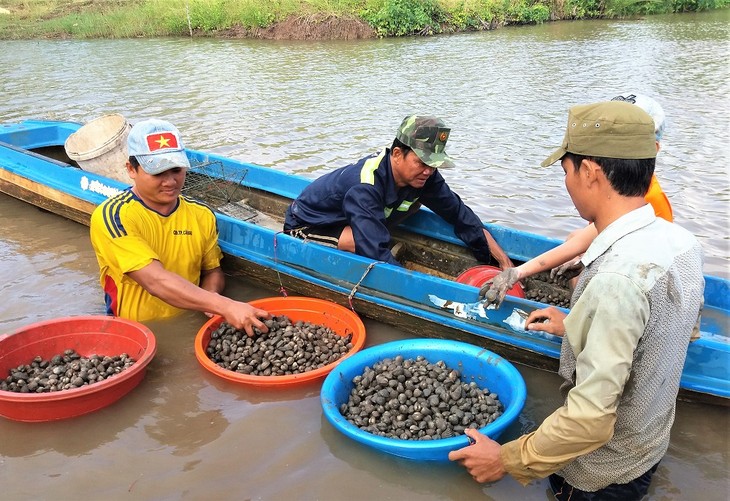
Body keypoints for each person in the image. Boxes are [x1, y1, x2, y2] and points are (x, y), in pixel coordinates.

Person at [449, 101, 704, 500]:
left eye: (566, 171)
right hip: (649, 446)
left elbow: (589, 422)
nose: (566, 183)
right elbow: (670, 333)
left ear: (589, 172)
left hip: (600, 475)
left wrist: (506, 459)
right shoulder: (682, 244)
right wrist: (578, 323)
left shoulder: (614, 280)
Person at [479, 93, 674, 307]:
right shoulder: (623, 189)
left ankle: (577, 321)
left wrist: (517, 272)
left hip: (641, 285)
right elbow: (585, 238)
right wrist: (516, 272)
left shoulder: (644, 198)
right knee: (575, 238)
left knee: (581, 254)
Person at [89, 119, 270, 335]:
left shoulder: (201, 214)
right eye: (158, 172)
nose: (170, 181)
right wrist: (226, 306)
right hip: (133, 330)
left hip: (190, 317)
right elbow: (155, 281)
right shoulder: (114, 216)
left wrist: (210, 300)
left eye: (176, 170)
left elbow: (213, 271)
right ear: (131, 169)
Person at [283, 115, 513, 269]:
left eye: (433, 164)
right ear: (396, 153)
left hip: (357, 216)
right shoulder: (365, 185)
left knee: (415, 204)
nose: (428, 171)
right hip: (308, 224)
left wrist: (501, 263)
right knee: (363, 242)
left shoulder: (426, 176)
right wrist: (411, 283)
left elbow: (460, 216)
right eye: (421, 162)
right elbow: (374, 252)